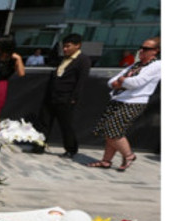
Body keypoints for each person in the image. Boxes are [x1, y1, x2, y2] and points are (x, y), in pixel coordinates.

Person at [89, 37, 160, 172]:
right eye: (141, 47)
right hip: (119, 99)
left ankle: (128, 155)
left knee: (113, 130)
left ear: (155, 51)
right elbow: (111, 81)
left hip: (134, 102)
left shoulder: (157, 65)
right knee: (108, 131)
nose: (141, 50)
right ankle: (106, 161)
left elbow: (136, 83)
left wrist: (122, 80)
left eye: (146, 49)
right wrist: (122, 80)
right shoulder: (136, 65)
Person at [33, 33, 91, 158]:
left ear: (77, 46)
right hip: (52, 95)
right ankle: (39, 145)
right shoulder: (63, 58)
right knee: (44, 122)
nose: (65, 49)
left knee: (66, 125)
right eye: (64, 46)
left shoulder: (83, 60)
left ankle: (71, 149)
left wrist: (74, 98)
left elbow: (81, 81)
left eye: (68, 46)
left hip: (66, 98)